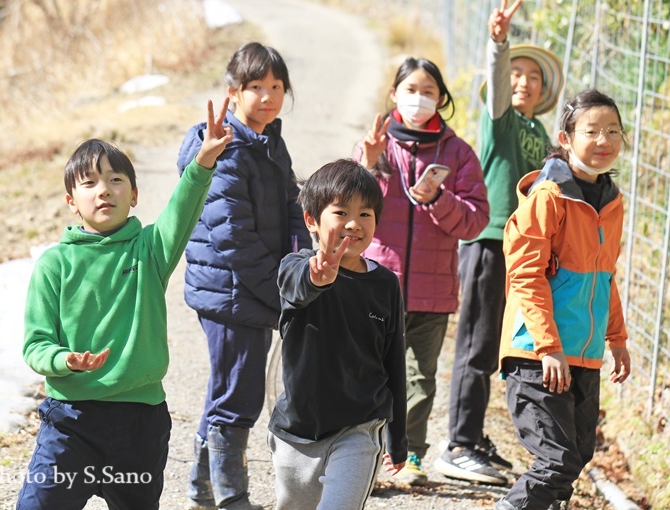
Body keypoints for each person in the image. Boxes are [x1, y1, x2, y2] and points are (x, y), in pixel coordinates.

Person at [17, 99, 233, 509]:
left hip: (140, 421)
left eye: (116, 180)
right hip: (71, 421)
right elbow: (35, 345)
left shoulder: (149, 250)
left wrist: (203, 162)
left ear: (134, 195)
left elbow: (181, 211)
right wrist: (66, 361)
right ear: (70, 201)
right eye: (89, 183)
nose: (104, 190)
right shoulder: (54, 264)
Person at [177, 42, 311, 510]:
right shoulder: (224, 149)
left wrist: (303, 264)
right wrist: (280, 294)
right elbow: (235, 240)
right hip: (231, 292)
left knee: (226, 391)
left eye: (277, 87)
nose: (269, 97)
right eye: (257, 87)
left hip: (252, 289)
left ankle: (202, 491)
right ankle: (232, 498)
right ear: (233, 92)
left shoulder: (270, 139)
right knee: (238, 395)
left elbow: (295, 208)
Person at [437, 0, 565, 485]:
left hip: (525, 248)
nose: (523, 82)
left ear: (544, 89)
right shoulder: (500, 121)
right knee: (476, 341)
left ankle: (474, 437)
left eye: (533, 77)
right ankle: (459, 444)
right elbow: (496, 86)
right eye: (515, 74)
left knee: (501, 344)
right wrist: (498, 44)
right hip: (491, 240)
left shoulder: (538, 132)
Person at [353, 57, 489, 486]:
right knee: (368, 371)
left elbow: (474, 220)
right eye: (410, 89)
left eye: (428, 91)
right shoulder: (377, 144)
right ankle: (363, 459)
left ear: (441, 99)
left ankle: (408, 458)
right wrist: (370, 164)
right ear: (393, 94)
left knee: (419, 378)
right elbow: (350, 213)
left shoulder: (458, 153)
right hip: (377, 285)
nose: (419, 98)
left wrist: (436, 198)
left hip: (434, 290)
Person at [495, 89, 632, 510]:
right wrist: (548, 346)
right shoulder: (549, 196)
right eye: (592, 130)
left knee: (574, 459)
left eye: (613, 130)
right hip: (537, 352)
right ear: (566, 138)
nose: (604, 139)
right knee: (556, 461)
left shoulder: (612, 202)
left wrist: (617, 339)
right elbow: (525, 274)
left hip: (584, 355)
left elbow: (604, 277)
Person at [269, 159, 407, 510]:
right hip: (297, 431)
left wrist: (398, 436)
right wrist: (318, 277)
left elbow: (394, 363)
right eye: (341, 212)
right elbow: (299, 287)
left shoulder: (385, 284)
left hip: (359, 428)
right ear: (312, 221)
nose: (353, 224)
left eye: (365, 214)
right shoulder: (296, 267)